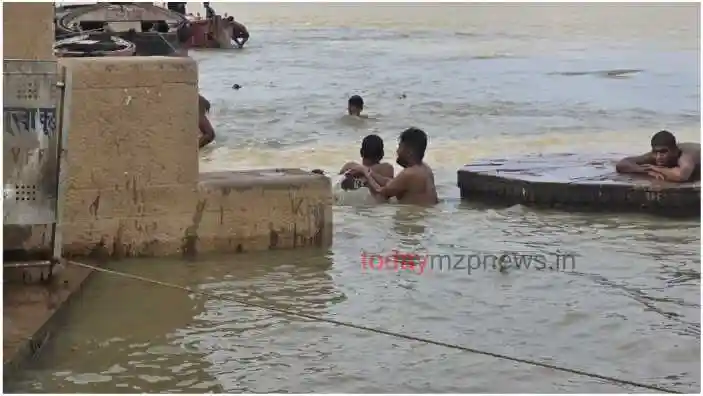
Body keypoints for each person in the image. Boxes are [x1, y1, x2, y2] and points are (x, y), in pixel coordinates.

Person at [350, 127, 438, 206]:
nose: (397, 151)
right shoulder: (426, 169)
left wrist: (365, 174)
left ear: (409, 152)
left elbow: (381, 192)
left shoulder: (408, 174)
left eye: (400, 147)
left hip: (410, 220)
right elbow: (392, 183)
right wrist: (369, 172)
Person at [615, 130, 700, 183]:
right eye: (656, 152)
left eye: (663, 152)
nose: (659, 157)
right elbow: (622, 164)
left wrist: (656, 168)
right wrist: (645, 170)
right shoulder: (655, 155)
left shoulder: (685, 155)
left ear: (674, 150)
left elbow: (682, 176)